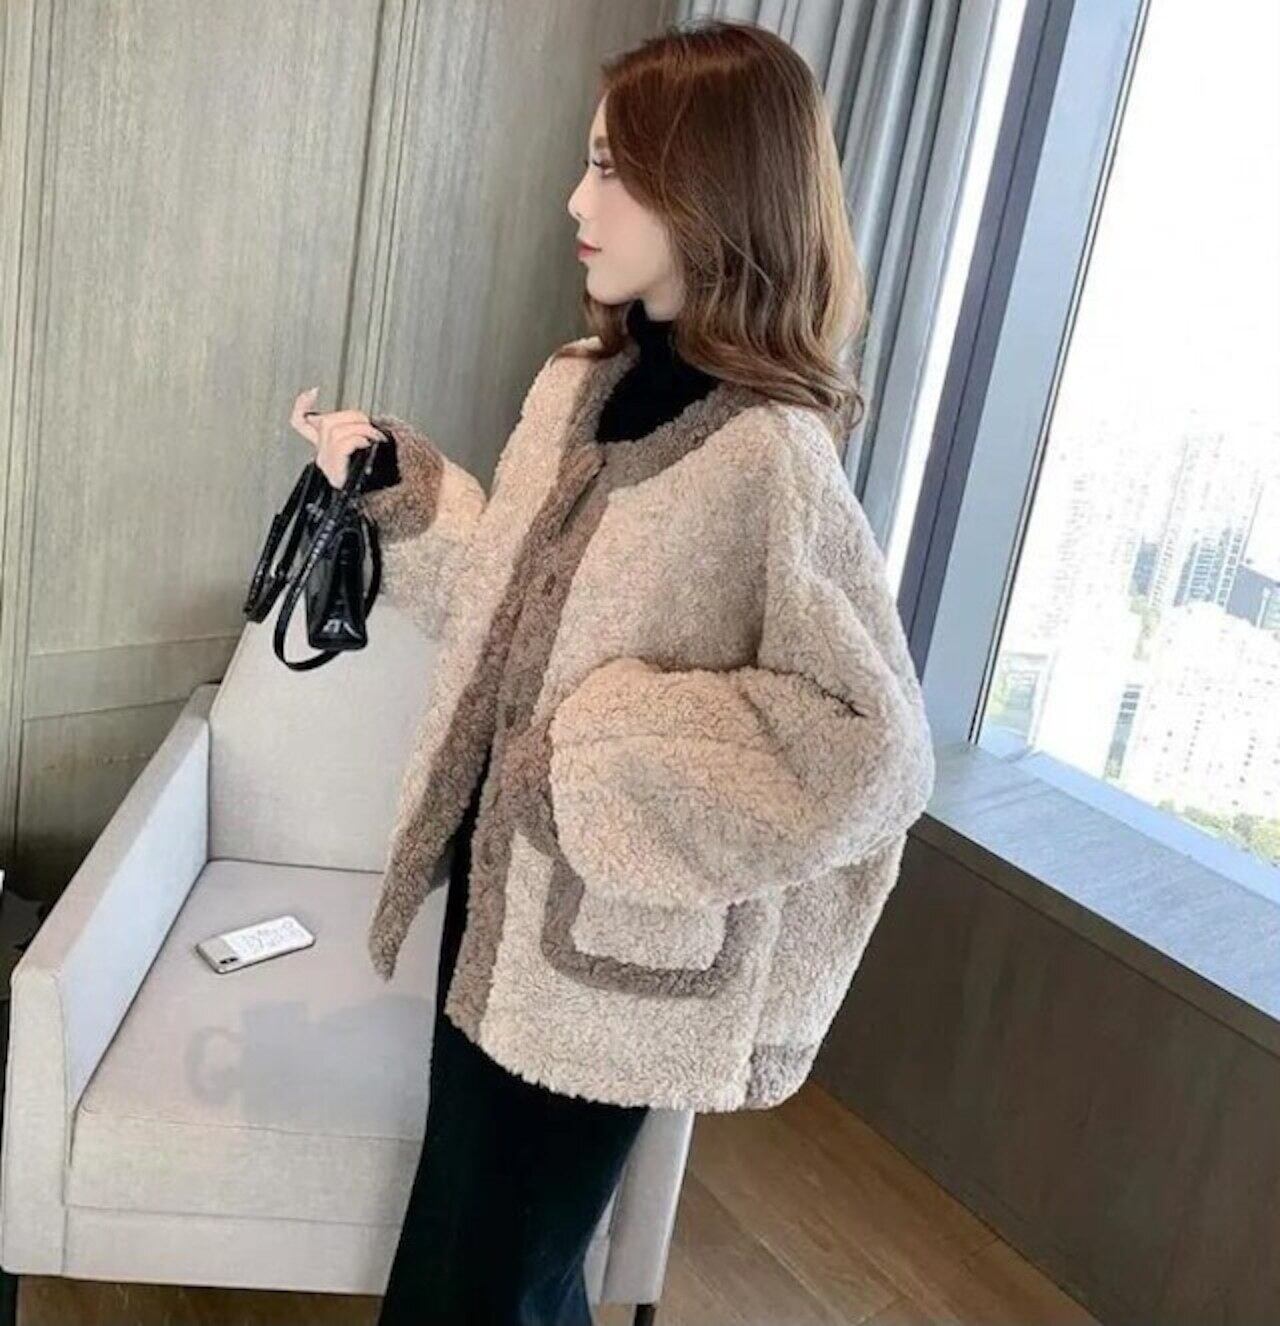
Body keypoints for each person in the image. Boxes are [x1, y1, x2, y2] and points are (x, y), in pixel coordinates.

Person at [289, 17, 934, 1325]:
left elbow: (873, 749)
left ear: (711, 190)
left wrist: (596, 760)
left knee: (499, 1283)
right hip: (499, 909)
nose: (576, 203)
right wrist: (396, 486)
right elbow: (508, 604)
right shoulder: (577, 384)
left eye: (609, 169)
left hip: (605, 953)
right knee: (472, 1267)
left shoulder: (771, 456)